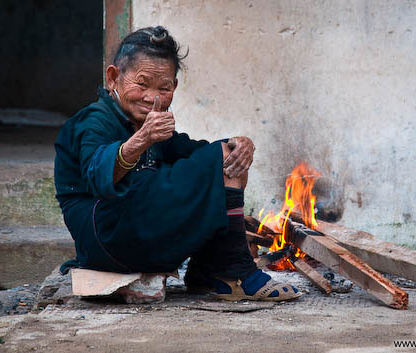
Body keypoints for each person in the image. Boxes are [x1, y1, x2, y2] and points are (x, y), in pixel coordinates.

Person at [54, 25, 300, 301]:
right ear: (114, 78)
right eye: (142, 83)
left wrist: (241, 145)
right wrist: (142, 140)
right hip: (105, 239)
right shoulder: (94, 120)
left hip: (133, 237)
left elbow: (202, 157)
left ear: (174, 87)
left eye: (164, 87)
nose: (152, 97)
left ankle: (208, 270)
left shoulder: (153, 126)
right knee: (213, 163)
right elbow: (98, 175)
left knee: (227, 158)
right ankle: (235, 271)